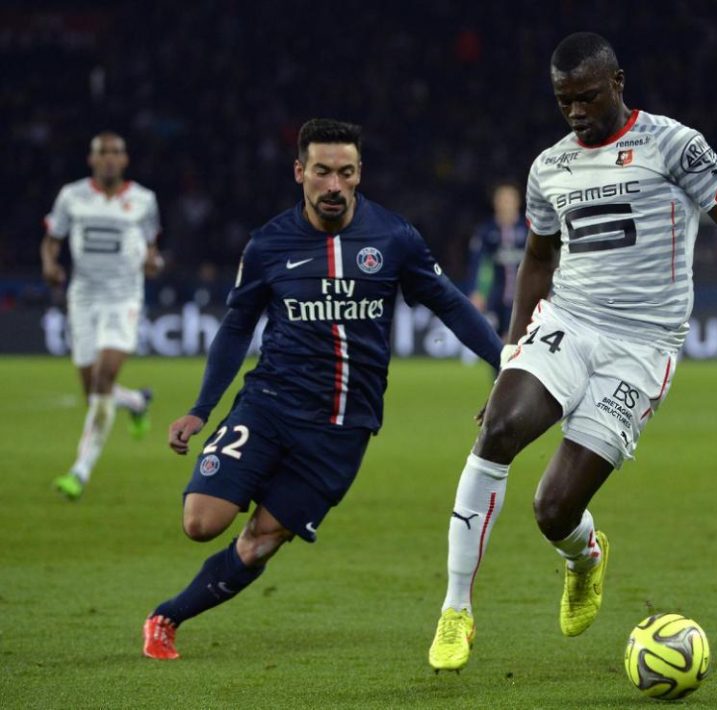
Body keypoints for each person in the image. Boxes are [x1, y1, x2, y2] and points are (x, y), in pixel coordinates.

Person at [428, 32, 717, 672]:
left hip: (642, 346)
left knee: (553, 508)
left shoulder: (674, 145)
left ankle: (584, 557)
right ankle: (456, 610)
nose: (575, 112)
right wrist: (511, 356)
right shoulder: (549, 167)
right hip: (569, 321)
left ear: (617, 83)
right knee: (499, 431)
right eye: (564, 101)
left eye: (587, 97)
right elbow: (537, 260)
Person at [142, 118, 501, 660]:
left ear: (359, 176)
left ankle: (166, 617)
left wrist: (505, 367)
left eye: (346, 173)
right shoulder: (268, 245)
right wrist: (200, 409)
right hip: (268, 407)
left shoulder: (394, 238)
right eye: (322, 172)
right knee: (200, 521)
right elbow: (238, 326)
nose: (333, 185)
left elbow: (449, 302)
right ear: (300, 173)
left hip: (342, 429)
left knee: (261, 540)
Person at [42, 132, 162, 501]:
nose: (109, 159)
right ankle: (137, 403)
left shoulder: (143, 200)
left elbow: (151, 249)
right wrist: (49, 265)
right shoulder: (71, 196)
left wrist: (152, 262)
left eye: (115, 153)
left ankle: (79, 471)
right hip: (83, 299)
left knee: (104, 378)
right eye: (102, 153)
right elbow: (52, 240)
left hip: (123, 298)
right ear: (91, 159)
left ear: (125, 160)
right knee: (93, 391)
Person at [465, 183, 529, 338]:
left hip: (525, 297)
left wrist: (548, 290)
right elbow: (477, 262)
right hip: (496, 296)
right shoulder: (486, 231)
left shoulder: (528, 229)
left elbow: (544, 263)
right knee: (498, 342)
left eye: (509, 200)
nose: (505, 204)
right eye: (502, 200)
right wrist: (476, 291)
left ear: (517, 202)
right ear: (495, 203)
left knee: (518, 340)